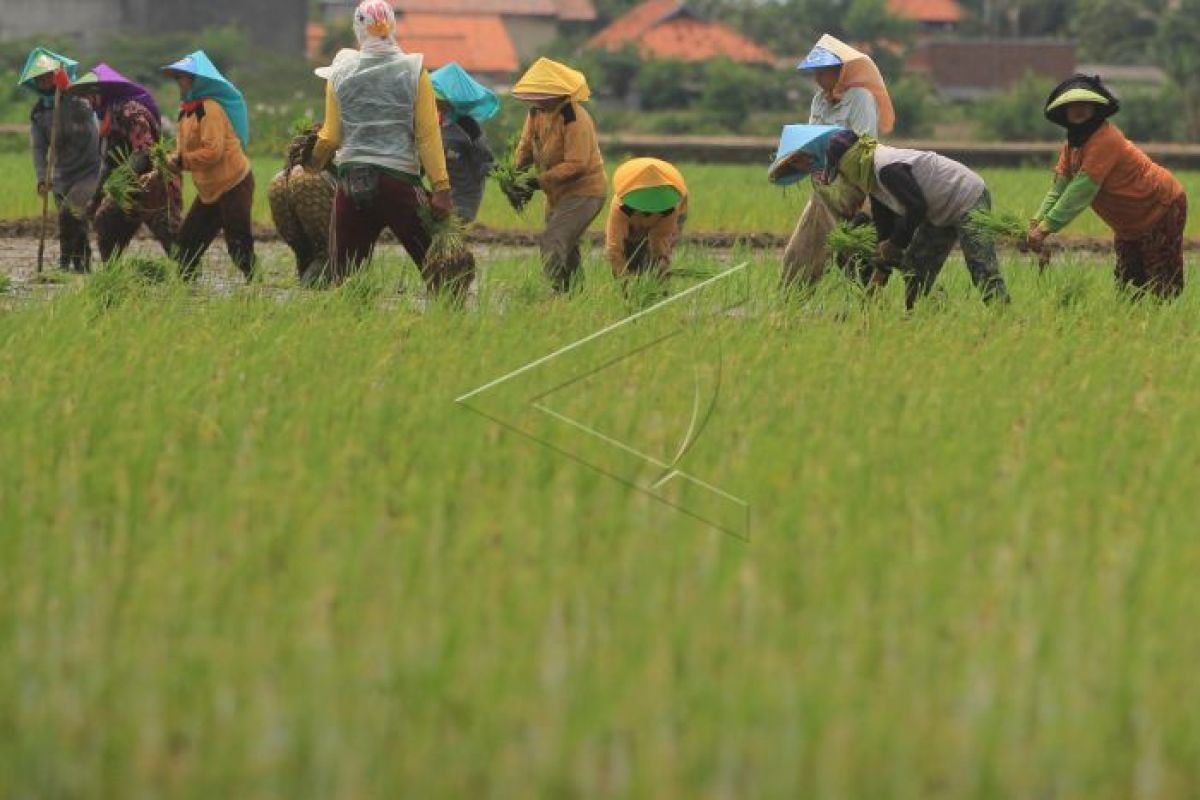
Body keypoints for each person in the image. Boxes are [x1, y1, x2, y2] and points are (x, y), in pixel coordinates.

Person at [305, 0, 454, 288]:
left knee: (345, 279)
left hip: (352, 185)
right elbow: (427, 134)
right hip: (399, 183)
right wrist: (441, 188)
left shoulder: (339, 74)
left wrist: (311, 162)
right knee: (439, 270)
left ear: (357, 29)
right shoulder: (414, 70)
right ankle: (452, 323)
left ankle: (352, 328)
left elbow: (331, 137)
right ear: (392, 26)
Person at [1028, 75, 1187, 299]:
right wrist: (1036, 221)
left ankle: (1168, 328)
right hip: (1128, 222)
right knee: (1129, 282)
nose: (1078, 109)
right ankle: (1133, 327)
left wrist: (1046, 228)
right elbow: (1058, 189)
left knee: (1161, 281)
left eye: (1084, 104)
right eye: (1072, 105)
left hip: (1160, 205)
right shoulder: (1071, 147)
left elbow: (1081, 191)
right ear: (1064, 113)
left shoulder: (1106, 139)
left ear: (1095, 108)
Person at [825, 129, 1010, 309]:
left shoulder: (885, 168)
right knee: (915, 270)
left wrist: (895, 244)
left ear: (849, 161)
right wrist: (883, 259)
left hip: (966, 196)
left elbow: (916, 207)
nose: (844, 178)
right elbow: (885, 226)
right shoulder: (872, 182)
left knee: (981, 265)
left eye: (841, 172)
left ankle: (1003, 317)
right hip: (938, 211)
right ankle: (922, 316)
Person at [783, 34, 895, 289]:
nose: (817, 79)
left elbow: (865, 148)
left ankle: (872, 301)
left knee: (850, 251)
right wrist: (802, 159)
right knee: (806, 252)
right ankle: (791, 298)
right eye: (815, 72)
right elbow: (813, 139)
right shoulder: (819, 100)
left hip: (855, 187)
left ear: (841, 71)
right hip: (825, 185)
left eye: (823, 72)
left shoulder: (861, 98)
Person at [511, 57, 607, 293]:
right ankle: (574, 296)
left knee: (553, 242)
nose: (535, 99)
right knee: (567, 247)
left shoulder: (574, 118)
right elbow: (525, 147)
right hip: (556, 194)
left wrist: (538, 181)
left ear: (555, 93)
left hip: (584, 192)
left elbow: (577, 164)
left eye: (540, 94)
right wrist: (513, 175)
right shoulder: (535, 113)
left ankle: (557, 292)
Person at [162, 50, 256, 281]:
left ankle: (256, 286)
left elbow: (213, 152)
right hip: (209, 189)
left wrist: (182, 162)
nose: (179, 83)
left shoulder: (210, 109)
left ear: (197, 81)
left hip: (234, 182)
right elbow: (182, 149)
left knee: (238, 243)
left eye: (182, 78)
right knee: (186, 244)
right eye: (177, 78)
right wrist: (171, 159)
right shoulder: (185, 113)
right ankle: (188, 293)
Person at [71, 64, 180, 262]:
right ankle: (113, 276)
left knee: (169, 235)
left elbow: (145, 150)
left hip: (152, 182)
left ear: (100, 93)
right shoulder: (108, 116)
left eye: (89, 96)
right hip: (127, 186)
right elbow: (110, 161)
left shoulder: (129, 111)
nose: (88, 102)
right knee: (105, 223)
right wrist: (96, 198)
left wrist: (118, 180)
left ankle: (190, 279)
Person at [19, 47, 99, 272]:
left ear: (56, 77)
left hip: (88, 171)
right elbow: (38, 149)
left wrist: (68, 94)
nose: (44, 81)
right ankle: (82, 265)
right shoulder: (38, 113)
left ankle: (64, 262)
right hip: (61, 175)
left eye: (47, 76)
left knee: (69, 212)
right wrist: (42, 178)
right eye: (39, 78)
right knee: (76, 220)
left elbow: (88, 125)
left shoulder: (78, 102)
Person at [430, 62, 497, 222]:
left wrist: (495, 172)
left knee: (453, 232)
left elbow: (484, 160)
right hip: (442, 192)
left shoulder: (468, 127)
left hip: (464, 196)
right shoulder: (434, 123)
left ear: (448, 101)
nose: (432, 101)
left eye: (436, 98)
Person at [605, 157, 688, 280]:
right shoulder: (620, 207)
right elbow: (613, 248)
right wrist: (623, 279)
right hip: (631, 227)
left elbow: (659, 241)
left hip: (664, 221)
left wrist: (661, 261)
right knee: (629, 256)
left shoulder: (670, 207)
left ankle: (659, 290)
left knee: (659, 261)